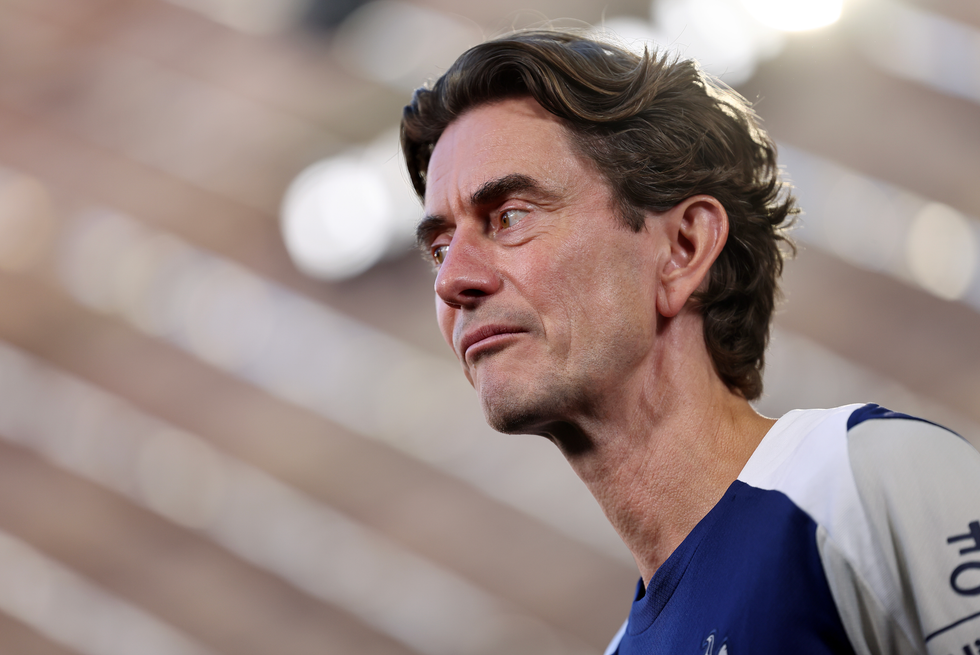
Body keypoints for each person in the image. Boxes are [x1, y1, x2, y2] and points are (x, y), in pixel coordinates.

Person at [400, 29, 980, 655]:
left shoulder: (865, 485)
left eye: (509, 216)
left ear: (682, 249)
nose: (454, 280)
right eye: (439, 248)